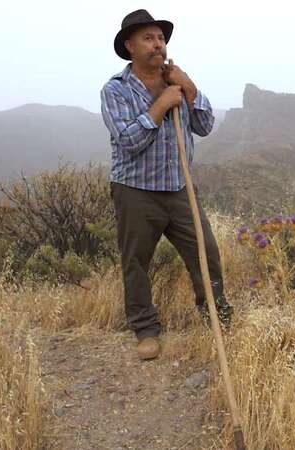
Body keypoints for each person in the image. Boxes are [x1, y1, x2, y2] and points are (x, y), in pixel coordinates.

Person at [100, 9, 232, 361]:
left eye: (160, 38)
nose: (157, 44)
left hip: (179, 188)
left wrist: (187, 86)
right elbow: (129, 141)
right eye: (148, 38)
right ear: (129, 46)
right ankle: (146, 330)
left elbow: (204, 126)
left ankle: (218, 319)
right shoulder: (115, 90)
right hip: (136, 190)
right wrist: (162, 104)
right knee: (136, 262)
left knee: (206, 253)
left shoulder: (177, 83)